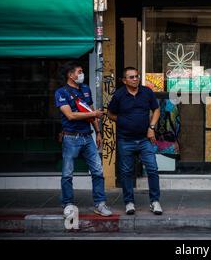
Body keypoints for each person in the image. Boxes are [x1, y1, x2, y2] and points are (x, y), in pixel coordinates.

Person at [55, 61, 112, 217]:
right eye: (79, 71)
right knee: (67, 173)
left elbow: (90, 111)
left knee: (98, 171)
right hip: (71, 138)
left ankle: (100, 203)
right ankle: (67, 204)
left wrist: (98, 132)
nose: (82, 74)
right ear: (70, 75)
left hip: (88, 138)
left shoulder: (86, 89)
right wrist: (93, 115)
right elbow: (70, 115)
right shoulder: (61, 92)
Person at [107, 67, 162, 215]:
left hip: (145, 140)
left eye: (137, 76)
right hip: (125, 140)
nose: (135, 79)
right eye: (131, 77)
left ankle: (155, 201)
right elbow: (110, 113)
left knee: (153, 169)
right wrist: (124, 120)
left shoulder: (147, 92)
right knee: (126, 172)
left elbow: (156, 109)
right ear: (124, 80)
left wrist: (151, 127)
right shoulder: (119, 95)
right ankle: (129, 202)